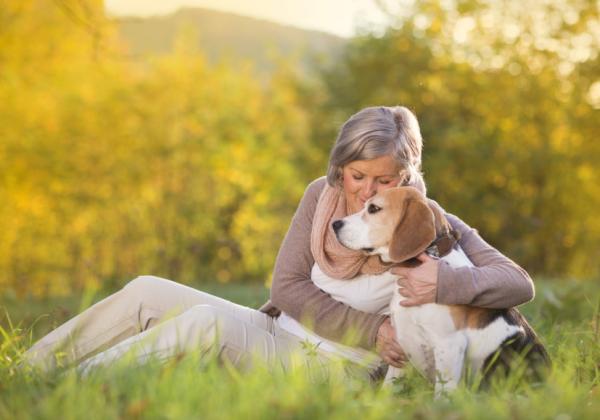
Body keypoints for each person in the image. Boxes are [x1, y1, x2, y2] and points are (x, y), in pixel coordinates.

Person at [23, 106, 534, 381]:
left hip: (336, 367)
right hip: (277, 327)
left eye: (387, 179)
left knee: (203, 324)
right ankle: (27, 372)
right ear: (340, 168)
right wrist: (376, 326)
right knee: (148, 288)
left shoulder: (430, 226)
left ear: (407, 175)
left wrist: (443, 280)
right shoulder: (322, 196)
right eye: (358, 176)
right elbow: (285, 287)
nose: (368, 192)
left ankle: (70, 389)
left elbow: (518, 284)